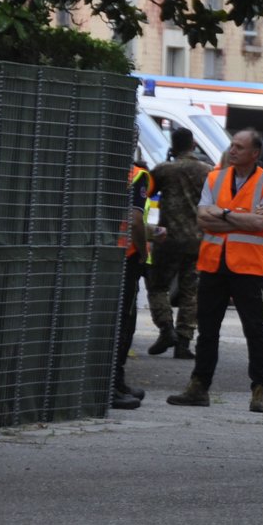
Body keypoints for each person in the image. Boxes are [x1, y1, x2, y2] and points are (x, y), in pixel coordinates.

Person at [167, 127, 263, 414]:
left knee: (254, 330)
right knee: (207, 330)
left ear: (254, 154)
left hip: (247, 266)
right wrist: (238, 218)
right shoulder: (214, 177)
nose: (232, 150)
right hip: (214, 263)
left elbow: (261, 224)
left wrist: (224, 214)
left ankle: (260, 390)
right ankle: (198, 387)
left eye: (239, 147)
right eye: (232, 145)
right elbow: (203, 219)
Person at [147, 127, 211, 361]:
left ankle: (166, 330)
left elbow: (148, 190)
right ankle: (184, 341)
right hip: (196, 240)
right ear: (193, 145)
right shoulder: (208, 171)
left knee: (157, 285)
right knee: (190, 292)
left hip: (168, 239)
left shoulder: (165, 170)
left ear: (173, 146)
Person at [111, 158, 153, 411]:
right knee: (122, 324)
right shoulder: (137, 175)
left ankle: (118, 382)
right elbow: (135, 220)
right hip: (125, 256)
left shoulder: (97, 168)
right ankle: (112, 385)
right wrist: (142, 251)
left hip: (100, 255)